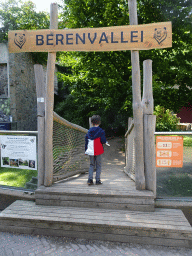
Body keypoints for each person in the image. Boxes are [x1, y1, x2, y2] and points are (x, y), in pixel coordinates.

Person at [85, 115, 106, 185]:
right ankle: (97, 180)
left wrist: (86, 150)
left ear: (91, 122)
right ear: (99, 122)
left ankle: (90, 180)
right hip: (98, 150)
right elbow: (103, 141)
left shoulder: (88, 131)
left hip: (91, 150)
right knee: (98, 165)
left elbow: (86, 142)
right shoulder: (101, 131)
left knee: (91, 165)